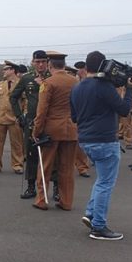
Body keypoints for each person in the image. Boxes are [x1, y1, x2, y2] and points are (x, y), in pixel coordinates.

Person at [70, 50, 132, 241]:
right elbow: (124, 109)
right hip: (105, 140)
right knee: (106, 183)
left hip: (86, 140)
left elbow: (74, 117)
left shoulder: (77, 88)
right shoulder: (104, 87)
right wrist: (130, 90)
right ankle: (98, 226)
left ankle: (90, 214)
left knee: (101, 180)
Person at [31, 52, 78, 211]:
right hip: (71, 128)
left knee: (45, 166)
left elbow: (42, 110)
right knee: (67, 168)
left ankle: (41, 199)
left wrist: (36, 131)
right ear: (64, 65)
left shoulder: (48, 83)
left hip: (51, 130)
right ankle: (66, 201)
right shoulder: (75, 82)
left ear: (50, 65)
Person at [10, 50, 51, 198]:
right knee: (32, 155)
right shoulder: (27, 79)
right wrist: (19, 116)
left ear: (47, 63)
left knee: (53, 156)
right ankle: (31, 187)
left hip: (50, 122)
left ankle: (57, 189)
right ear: (33, 63)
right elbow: (13, 97)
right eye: (37, 62)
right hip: (32, 122)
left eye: (43, 62)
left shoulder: (53, 77)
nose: (40, 65)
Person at [0, 60, 24, 174]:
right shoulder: (0, 84)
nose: (4, 71)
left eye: (6, 69)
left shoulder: (20, 83)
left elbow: (25, 100)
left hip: (15, 118)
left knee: (16, 143)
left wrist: (24, 114)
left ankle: (17, 165)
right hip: (1, 118)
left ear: (12, 70)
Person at [72, 61, 91, 178]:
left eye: (80, 69)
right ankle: (72, 166)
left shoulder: (88, 82)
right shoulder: (74, 82)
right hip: (70, 115)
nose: (78, 71)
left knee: (80, 144)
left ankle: (83, 167)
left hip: (82, 117)